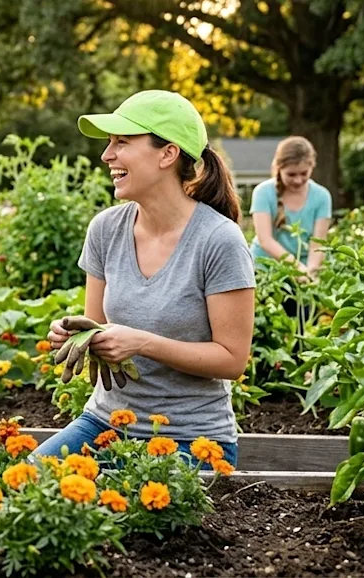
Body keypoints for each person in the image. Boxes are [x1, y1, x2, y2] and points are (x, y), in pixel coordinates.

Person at [34, 90, 255, 467]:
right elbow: (100, 328)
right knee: (20, 484)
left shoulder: (219, 240)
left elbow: (232, 360)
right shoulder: (106, 229)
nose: (107, 155)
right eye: (109, 143)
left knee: (113, 507)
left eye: (122, 142)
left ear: (167, 154)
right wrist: (82, 335)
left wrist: (142, 343)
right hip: (105, 423)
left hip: (191, 438)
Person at [249, 136, 333, 275]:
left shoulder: (322, 196)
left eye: (304, 173)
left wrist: (310, 272)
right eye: (291, 174)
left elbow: (318, 243)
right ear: (279, 168)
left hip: (304, 268)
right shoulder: (263, 193)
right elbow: (266, 240)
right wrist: (296, 268)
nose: (298, 180)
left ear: (312, 166)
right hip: (264, 270)